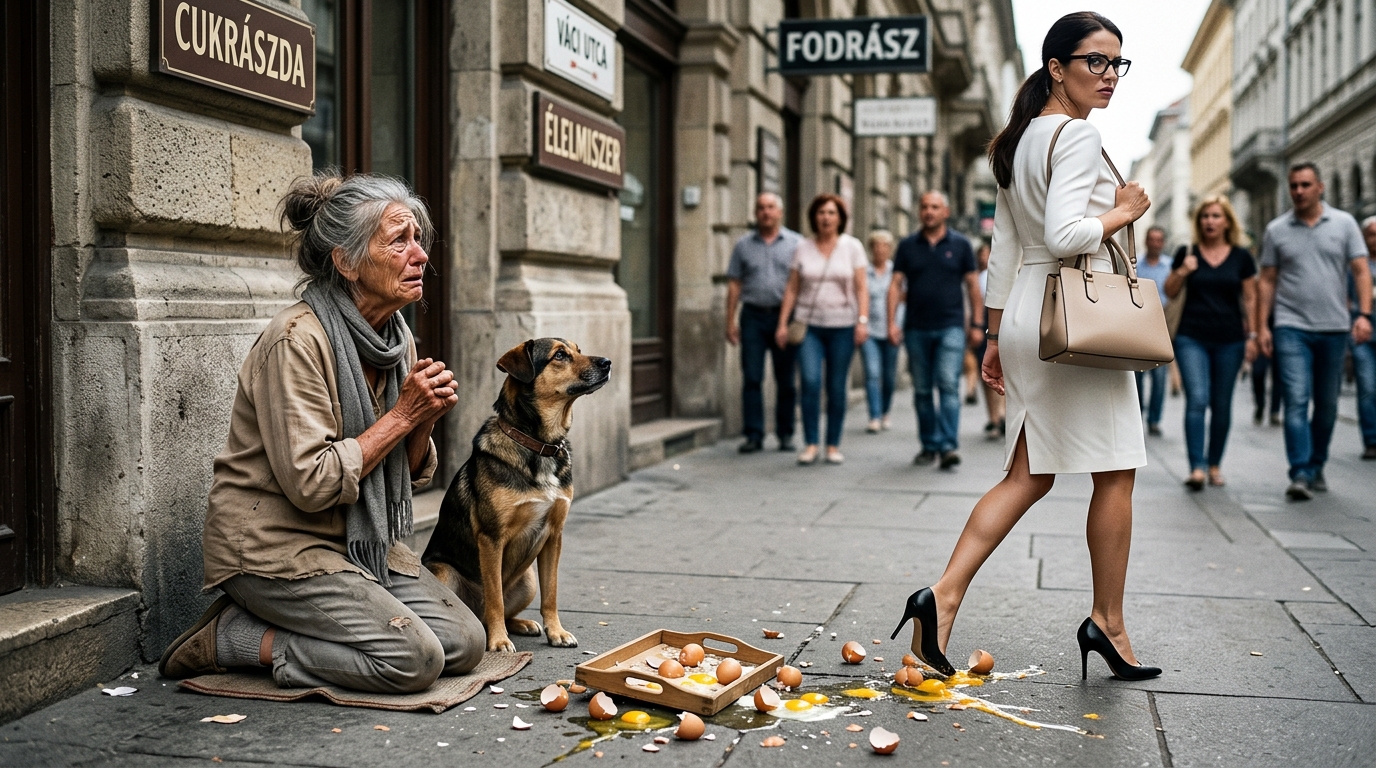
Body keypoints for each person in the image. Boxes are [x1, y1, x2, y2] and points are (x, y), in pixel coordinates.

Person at [891, 12, 1161, 682]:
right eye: (1095, 62)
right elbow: (1069, 233)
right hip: (1076, 319)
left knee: (1026, 475)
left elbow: (1005, 249)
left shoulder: (1013, 143)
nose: (1109, 77)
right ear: (1057, 68)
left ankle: (941, 599)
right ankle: (1109, 622)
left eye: (1116, 64)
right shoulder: (1073, 136)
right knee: (1116, 469)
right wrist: (1124, 211)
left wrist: (992, 332)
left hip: (1028, 316)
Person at [159, 173, 485, 692]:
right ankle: (235, 639)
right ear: (347, 261)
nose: (420, 255)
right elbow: (311, 483)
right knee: (414, 660)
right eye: (399, 240)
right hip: (277, 549)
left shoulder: (395, 340)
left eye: (418, 239)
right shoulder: (296, 340)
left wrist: (420, 421)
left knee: (467, 642)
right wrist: (401, 416)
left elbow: (411, 471)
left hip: (359, 544)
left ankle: (327, 627)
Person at [1256, 164, 1373, 501]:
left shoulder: (1344, 224)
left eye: (1305, 185)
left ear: (1320, 187)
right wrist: (1262, 327)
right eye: (1293, 185)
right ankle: (1300, 472)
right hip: (1291, 327)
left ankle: (1317, 463)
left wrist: (1363, 315)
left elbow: (1361, 272)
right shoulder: (1277, 229)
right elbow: (1267, 280)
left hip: (1335, 327)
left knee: (1326, 405)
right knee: (1296, 399)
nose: (1299, 191)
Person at [1164, 197, 1258, 490]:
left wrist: (1253, 335)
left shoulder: (1241, 257)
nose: (1210, 221)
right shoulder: (1186, 252)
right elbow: (1169, 290)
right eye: (1205, 216)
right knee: (1198, 400)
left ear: (1227, 221)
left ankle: (1214, 463)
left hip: (1230, 339)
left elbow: (1251, 297)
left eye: (1216, 216)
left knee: (1221, 404)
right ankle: (1197, 468)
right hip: (1191, 336)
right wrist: (1183, 270)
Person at [887, 192, 984, 469]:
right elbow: (895, 285)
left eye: (934, 207)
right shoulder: (907, 246)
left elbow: (973, 287)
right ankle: (929, 444)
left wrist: (977, 324)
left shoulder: (961, 245)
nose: (929, 211)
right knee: (921, 390)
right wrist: (891, 322)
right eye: (924, 207)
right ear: (919, 212)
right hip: (916, 328)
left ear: (946, 211)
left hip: (951, 326)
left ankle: (948, 446)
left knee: (948, 384)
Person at [775, 194, 869, 465]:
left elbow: (861, 288)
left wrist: (862, 321)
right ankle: (811, 443)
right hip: (809, 326)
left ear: (840, 218)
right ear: (814, 217)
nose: (826, 217)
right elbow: (792, 288)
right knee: (811, 382)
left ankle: (832, 445)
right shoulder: (802, 247)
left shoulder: (852, 247)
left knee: (836, 386)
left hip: (842, 326)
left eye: (831, 213)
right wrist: (782, 323)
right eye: (821, 213)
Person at [726, 193, 803, 453]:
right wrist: (730, 321)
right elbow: (735, 284)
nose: (766, 212)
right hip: (753, 317)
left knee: (786, 379)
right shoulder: (743, 245)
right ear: (755, 212)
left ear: (779, 212)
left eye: (770, 207)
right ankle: (754, 434)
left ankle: (785, 434)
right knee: (752, 377)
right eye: (761, 208)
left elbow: (801, 284)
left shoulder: (796, 243)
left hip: (785, 317)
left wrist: (794, 320)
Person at [861, 230, 902, 433]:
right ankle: (874, 416)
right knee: (872, 373)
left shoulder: (896, 273)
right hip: (869, 331)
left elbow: (903, 302)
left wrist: (897, 325)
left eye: (885, 246)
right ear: (871, 249)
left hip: (892, 331)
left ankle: (885, 411)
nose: (880, 249)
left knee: (888, 376)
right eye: (876, 245)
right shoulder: (863, 272)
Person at [1135, 226, 1172, 436]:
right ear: (1146, 241)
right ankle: (1138, 416)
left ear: (1163, 243)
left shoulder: (1170, 266)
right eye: (1152, 239)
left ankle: (1154, 420)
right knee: (1138, 377)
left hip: (1163, 327)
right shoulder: (1136, 265)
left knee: (1159, 378)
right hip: (1140, 326)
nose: (1155, 243)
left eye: (1159, 240)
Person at [973, 241, 1006, 440]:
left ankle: (1002, 414)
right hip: (984, 326)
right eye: (982, 254)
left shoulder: (1008, 273)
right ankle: (994, 418)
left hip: (1004, 325)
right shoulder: (977, 278)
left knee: (1007, 374)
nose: (985, 257)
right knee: (986, 374)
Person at [1352, 216, 1376, 459]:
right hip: (1363, 338)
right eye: (1372, 234)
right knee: (1368, 387)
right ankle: (1371, 439)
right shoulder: (1357, 266)